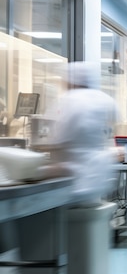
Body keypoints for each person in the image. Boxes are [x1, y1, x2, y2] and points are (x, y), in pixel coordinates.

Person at [40, 61, 119, 204]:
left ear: (70, 81)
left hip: (76, 179)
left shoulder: (70, 100)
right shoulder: (103, 98)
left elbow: (58, 141)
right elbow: (113, 122)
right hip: (99, 175)